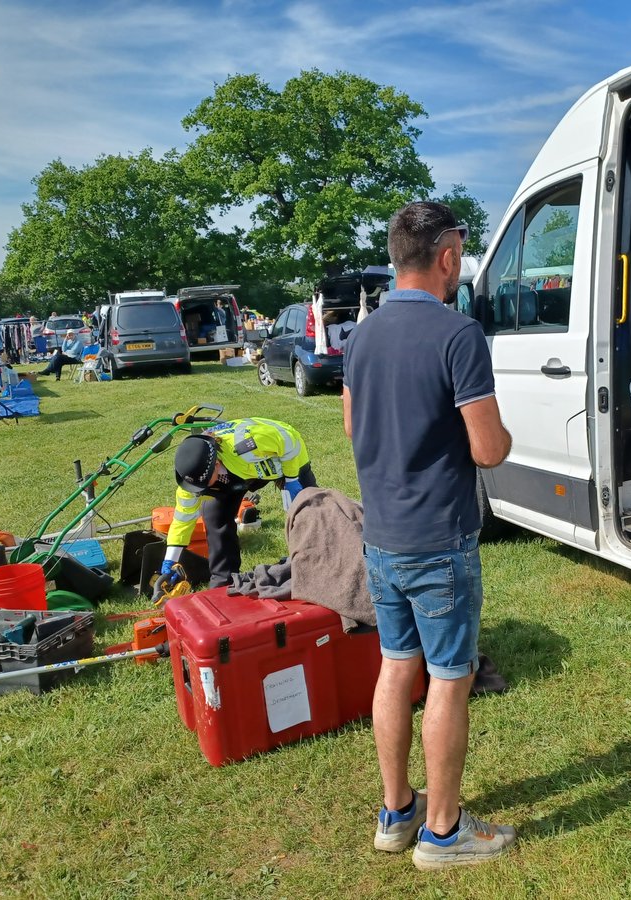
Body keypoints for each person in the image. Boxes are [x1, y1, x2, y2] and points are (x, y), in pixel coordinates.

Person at [343, 201, 515, 871]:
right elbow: (489, 449)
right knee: (449, 678)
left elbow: (353, 428)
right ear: (447, 257)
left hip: (381, 536)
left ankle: (397, 812)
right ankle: (443, 832)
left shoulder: (360, 336)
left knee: (396, 666)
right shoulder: (459, 334)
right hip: (439, 539)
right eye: (461, 256)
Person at [162, 418, 317, 589]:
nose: (200, 491)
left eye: (204, 484)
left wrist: (292, 478)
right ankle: (223, 581)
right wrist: (170, 560)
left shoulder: (246, 445)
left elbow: (287, 439)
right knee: (215, 516)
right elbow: (183, 520)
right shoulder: (191, 481)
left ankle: (314, 566)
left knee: (309, 511)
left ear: (216, 464)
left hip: (284, 458)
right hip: (238, 473)